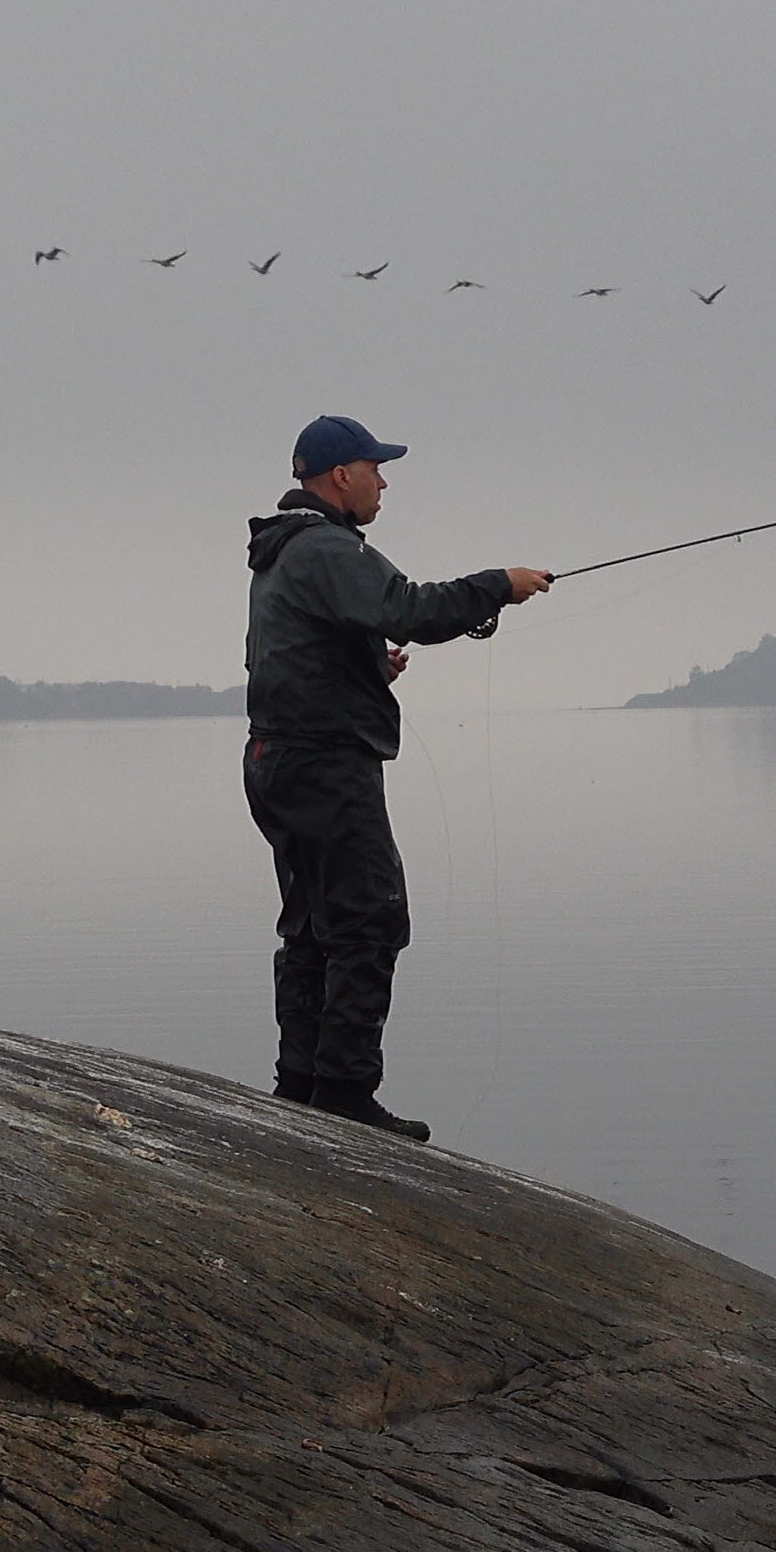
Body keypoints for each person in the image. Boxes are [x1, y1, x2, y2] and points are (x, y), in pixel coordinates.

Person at [244, 415, 552, 1139]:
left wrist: (364, 667)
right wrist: (497, 586)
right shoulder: (323, 546)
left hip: (280, 761)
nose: (384, 482)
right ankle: (346, 1096)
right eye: (375, 468)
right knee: (368, 921)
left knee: (313, 928)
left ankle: (301, 1085)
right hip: (323, 766)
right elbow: (408, 608)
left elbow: (286, 653)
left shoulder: (282, 550)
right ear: (339, 476)